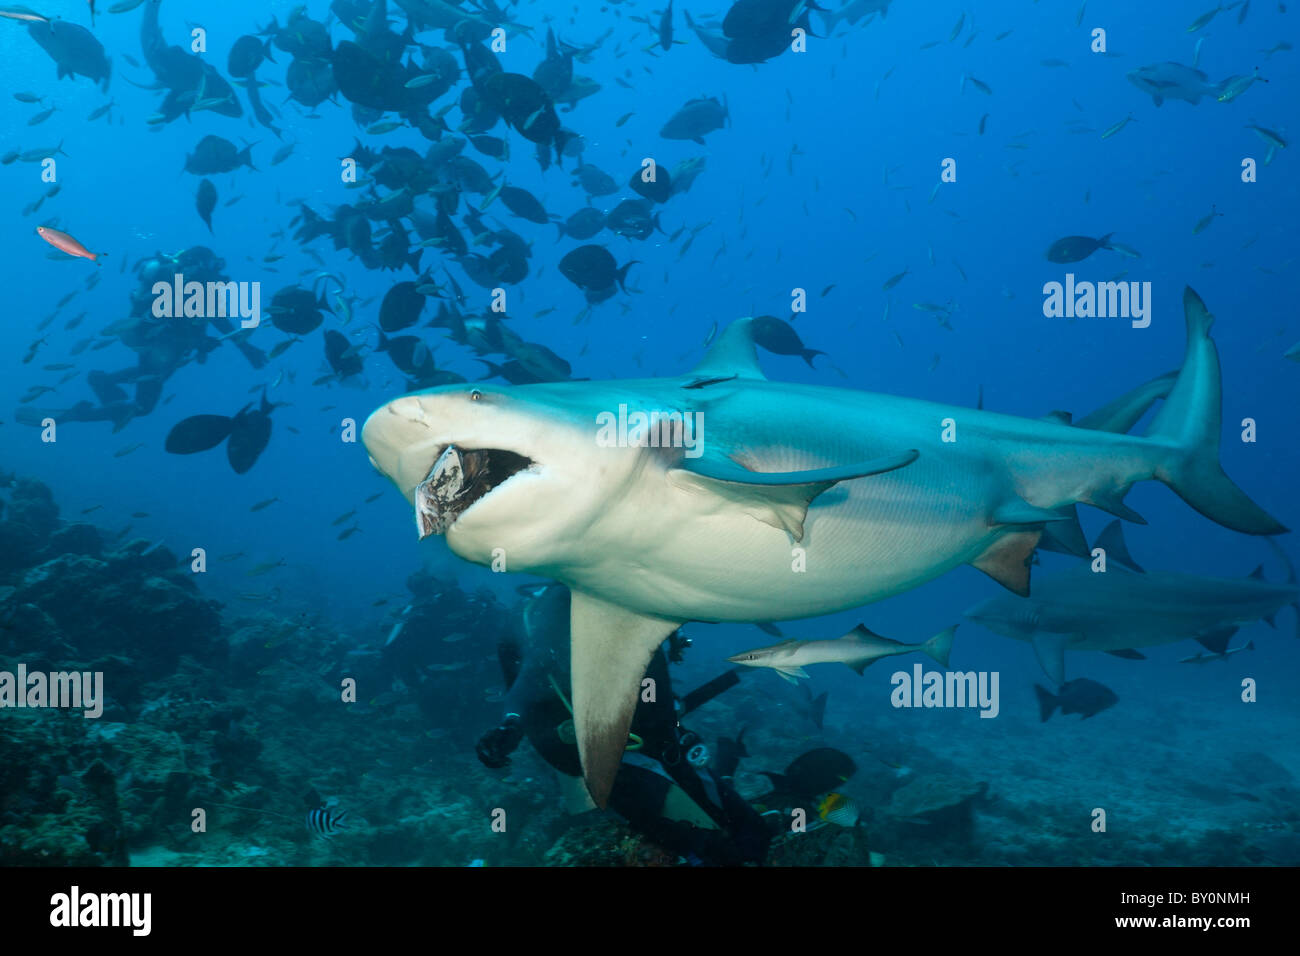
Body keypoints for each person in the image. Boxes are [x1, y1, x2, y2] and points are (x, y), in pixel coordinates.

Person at [476, 585, 770, 866]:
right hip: (595, 749)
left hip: (656, 732)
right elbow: (527, 683)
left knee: (750, 830)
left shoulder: (622, 596)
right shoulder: (554, 616)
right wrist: (511, 726)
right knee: (707, 845)